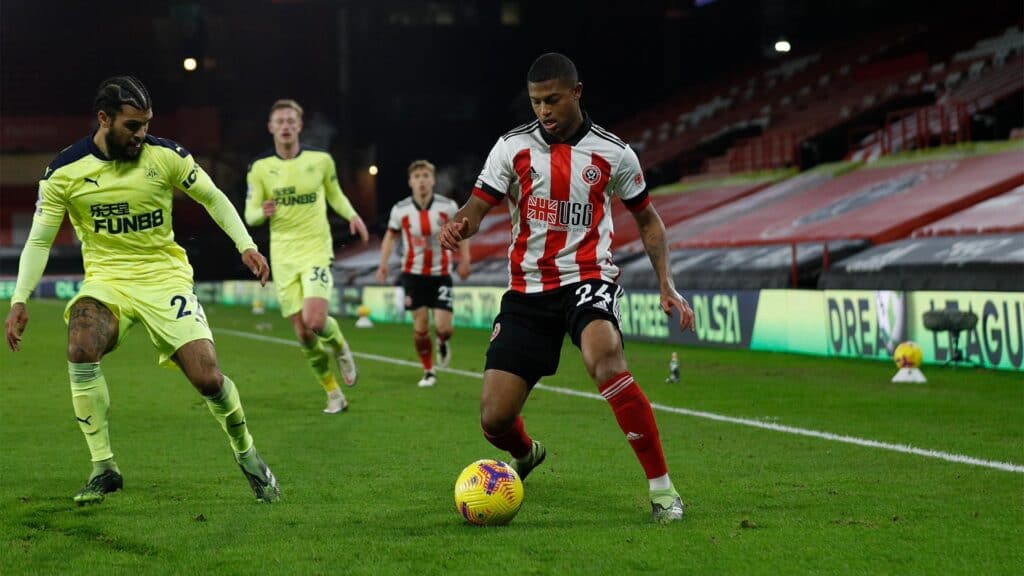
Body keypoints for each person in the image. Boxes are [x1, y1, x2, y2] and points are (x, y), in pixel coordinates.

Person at [439, 53, 696, 523]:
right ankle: (528, 452)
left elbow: (648, 220)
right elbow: (475, 209)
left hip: (588, 278)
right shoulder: (510, 148)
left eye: (553, 100)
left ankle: (663, 491)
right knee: (494, 420)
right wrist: (458, 226)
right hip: (526, 291)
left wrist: (667, 284)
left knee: (604, 355)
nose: (544, 111)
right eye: (536, 102)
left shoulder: (614, 153)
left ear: (576, 92)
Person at [4, 76, 280, 504]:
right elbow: (39, 241)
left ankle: (247, 455)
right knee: (80, 344)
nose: (141, 135)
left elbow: (214, 197)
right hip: (107, 281)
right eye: (132, 126)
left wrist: (246, 245)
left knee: (208, 379)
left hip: (164, 278)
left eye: (146, 124)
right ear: (103, 119)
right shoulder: (63, 172)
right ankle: (104, 468)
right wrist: (20, 299)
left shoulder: (165, 157)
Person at [245, 99, 369, 414]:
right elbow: (249, 214)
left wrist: (352, 215)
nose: (285, 126)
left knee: (315, 321)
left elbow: (335, 194)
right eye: (280, 121)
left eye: (291, 121)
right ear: (271, 127)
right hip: (283, 256)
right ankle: (333, 394)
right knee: (302, 332)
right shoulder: (260, 169)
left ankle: (340, 346)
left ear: (299, 126)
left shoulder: (321, 160)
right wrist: (263, 211)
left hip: (315, 249)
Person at [376, 160, 471, 388]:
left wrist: (466, 259)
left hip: (440, 274)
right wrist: (383, 264)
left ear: (433, 180)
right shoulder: (400, 210)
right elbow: (390, 236)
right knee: (420, 328)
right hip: (413, 275)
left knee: (445, 328)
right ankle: (429, 371)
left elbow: (463, 233)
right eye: (417, 176)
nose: (421, 180)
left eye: (425, 175)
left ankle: (442, 341)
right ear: (410, 181)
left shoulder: (448, 206)